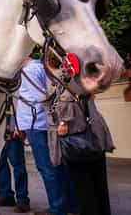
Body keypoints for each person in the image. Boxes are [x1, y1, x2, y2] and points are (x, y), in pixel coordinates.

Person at [18, 55, 77, 215]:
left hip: (37, 125)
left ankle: (58, 208)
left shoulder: (28, 71)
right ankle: (70, 206)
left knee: (47, 168)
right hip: (43, 123)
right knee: (57, 165)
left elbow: (42, 97)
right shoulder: (39, 67)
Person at [50, 81, 114, 215]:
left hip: (79, 140)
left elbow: (65, 99)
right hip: (95, 134)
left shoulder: (66, 82)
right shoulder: (84, 78)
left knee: (85, 187)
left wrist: (63, 121)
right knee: (98, 185)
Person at [0, 111, 30, 213]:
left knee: (17, 162)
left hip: (12, 121)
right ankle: (5, 194)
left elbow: (18, 103)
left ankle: (22, 200)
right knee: (0, 162)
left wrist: (17, 126)